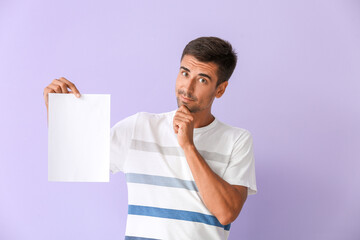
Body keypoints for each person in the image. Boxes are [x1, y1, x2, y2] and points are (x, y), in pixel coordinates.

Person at [43, 36, 257, 240]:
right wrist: (59, 113)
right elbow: (79, 163)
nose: (187, 88)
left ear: (220, 89)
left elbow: (227, 212)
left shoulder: (237, 140)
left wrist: (188, 146)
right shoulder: (139, 127)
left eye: (202, 80)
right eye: (184, 73)